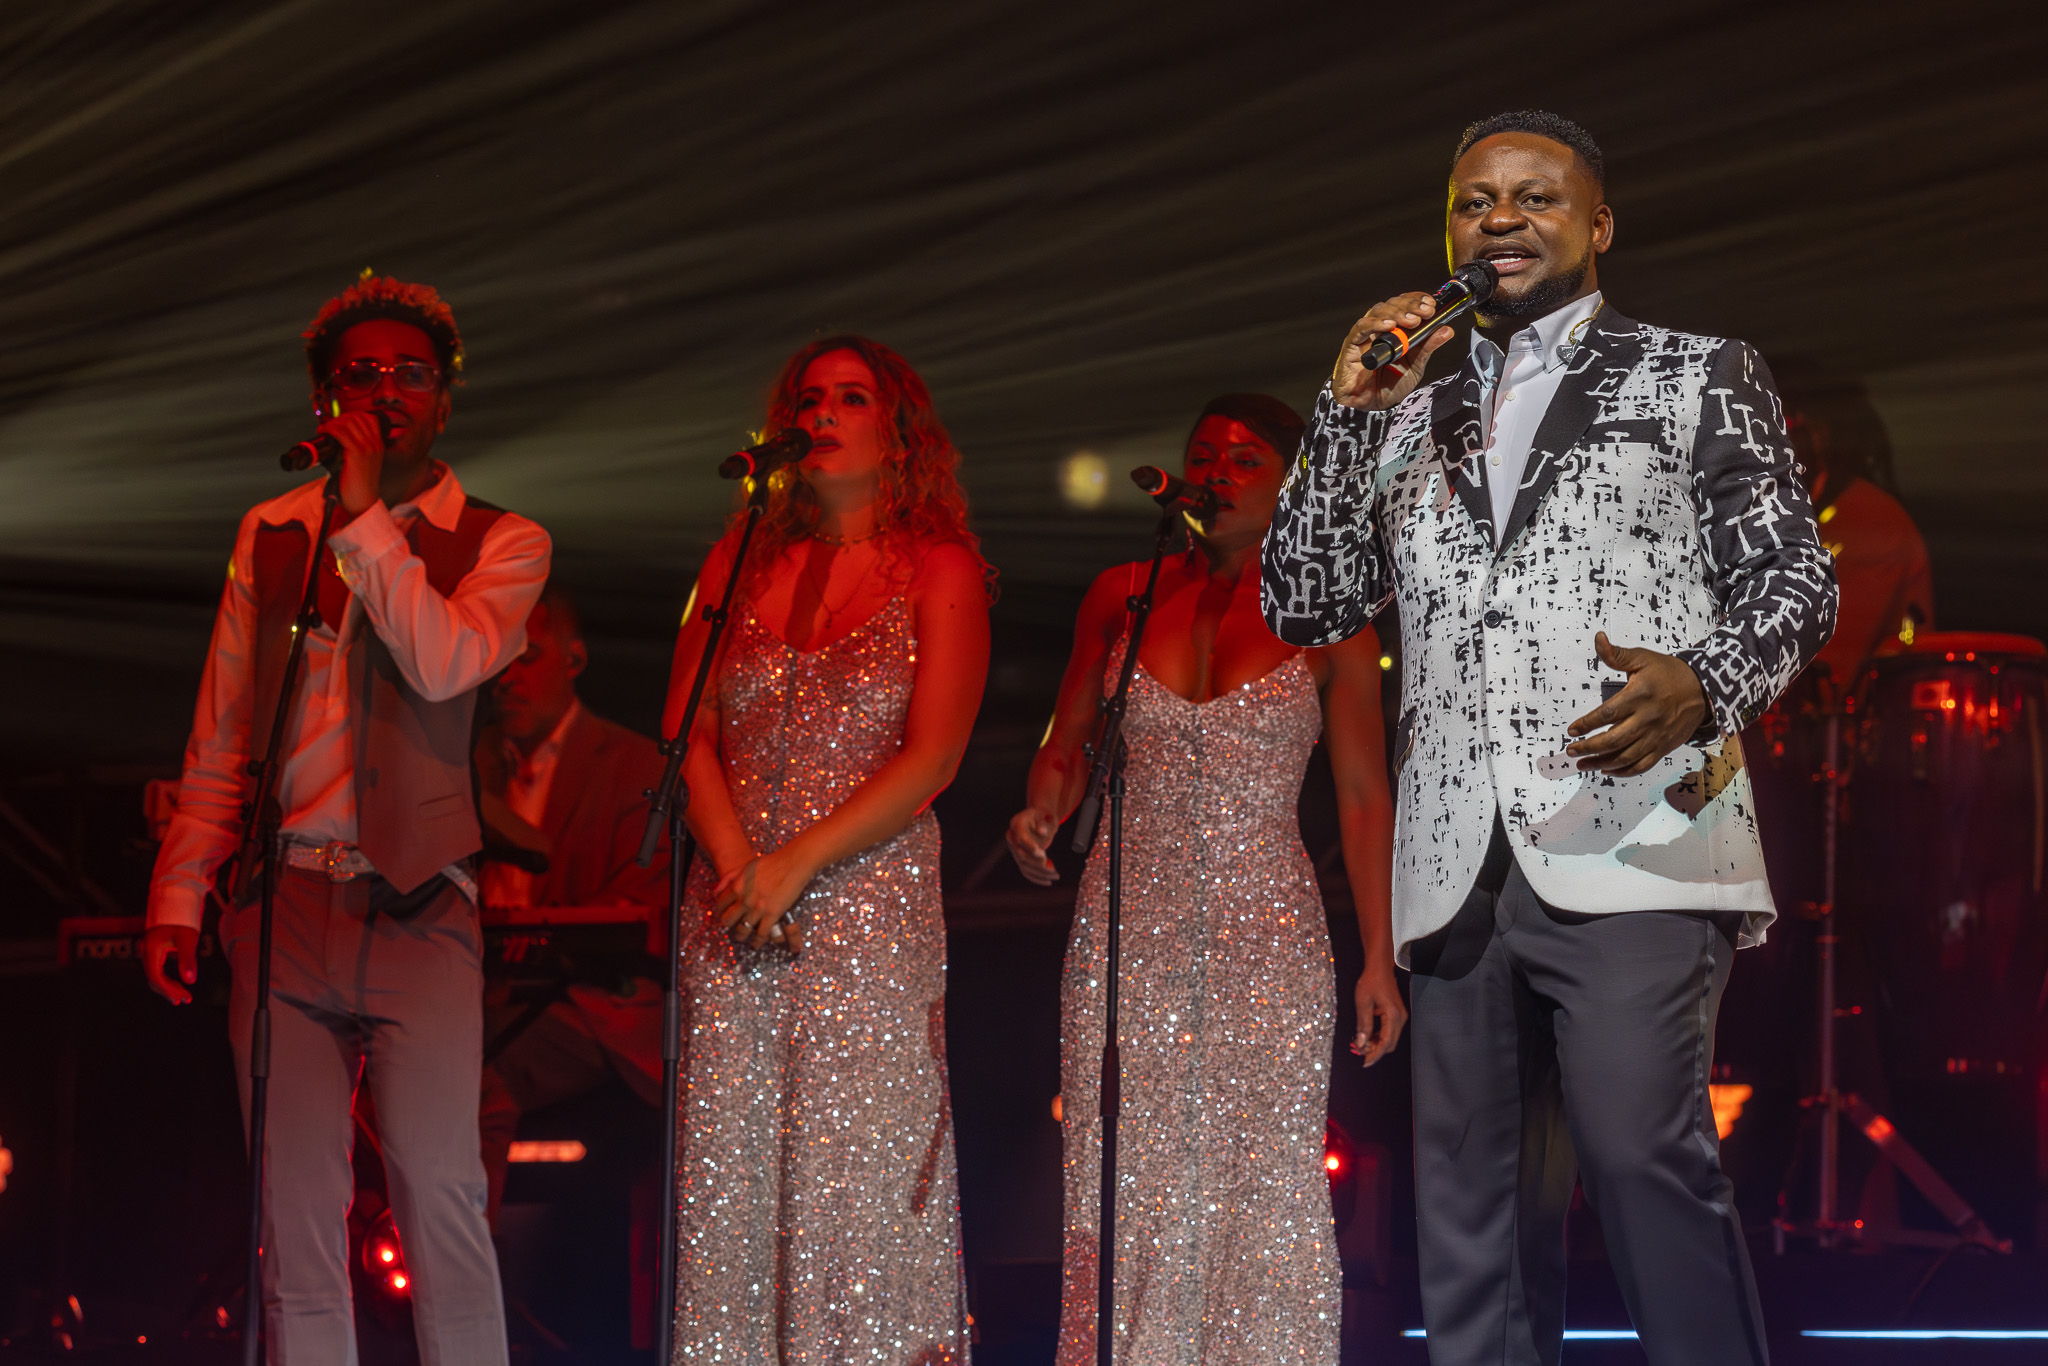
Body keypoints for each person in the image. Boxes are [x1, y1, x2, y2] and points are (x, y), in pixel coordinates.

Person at [1261, 111, 1837, 1366]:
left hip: (1636, 833)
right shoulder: (1404, 407)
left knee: (1638, 1156)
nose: (1500, 219)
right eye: (1474, 201)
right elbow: (1303, 602)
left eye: (1534, 197)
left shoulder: (1695, 370)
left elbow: (1795, 580)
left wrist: (1705, 680)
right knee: (1470, 1221)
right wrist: (1343, 413)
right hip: (1453, 859)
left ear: (1598, 225)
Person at [142, 275, 548, 1366]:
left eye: (411, 374)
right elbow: (225, 729)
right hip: (283, 905)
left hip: (421, 906)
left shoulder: (506, 540)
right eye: (360, 374)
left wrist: (366, 521)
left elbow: (446, 660)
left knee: (439, 1195)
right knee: (293, 1216)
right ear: (325, 398)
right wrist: (180, 888)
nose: (386, 391)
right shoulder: (272, 531)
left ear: (444, 401)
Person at [1008, 393, 1402, 1365]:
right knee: (1123, 1173)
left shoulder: (1330, 617)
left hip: (1264, 937)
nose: (1217, 472)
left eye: (1244, 458)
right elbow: (1066, 741)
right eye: (1203, 456)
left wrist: (1379, 958)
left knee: (1257, 1187)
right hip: (1124, 930)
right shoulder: (1122, 595)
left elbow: (1363, 797)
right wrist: (1041, 810)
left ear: (1291, 485)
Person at [664, 335, 991, 1362]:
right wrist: (739, 871)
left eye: (851, 398)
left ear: (898, 433)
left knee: (857, 1191)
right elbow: (686, 734)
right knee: (733, 1191)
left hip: (864, 918)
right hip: (735, 918)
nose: (823, 415)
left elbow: (933, 755)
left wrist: (793, 865)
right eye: (809, 399)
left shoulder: (939, 569)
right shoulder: (736, 563)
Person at [472, 586, 669, 1228]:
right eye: (496, 660)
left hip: (592, 1004)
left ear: (574, 660)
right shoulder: (466, 766)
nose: (505, 677)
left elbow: (640, 908)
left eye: (526, 657)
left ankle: (458, 1270)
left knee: (476, 1075)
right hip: (480, 992)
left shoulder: (634, 765)